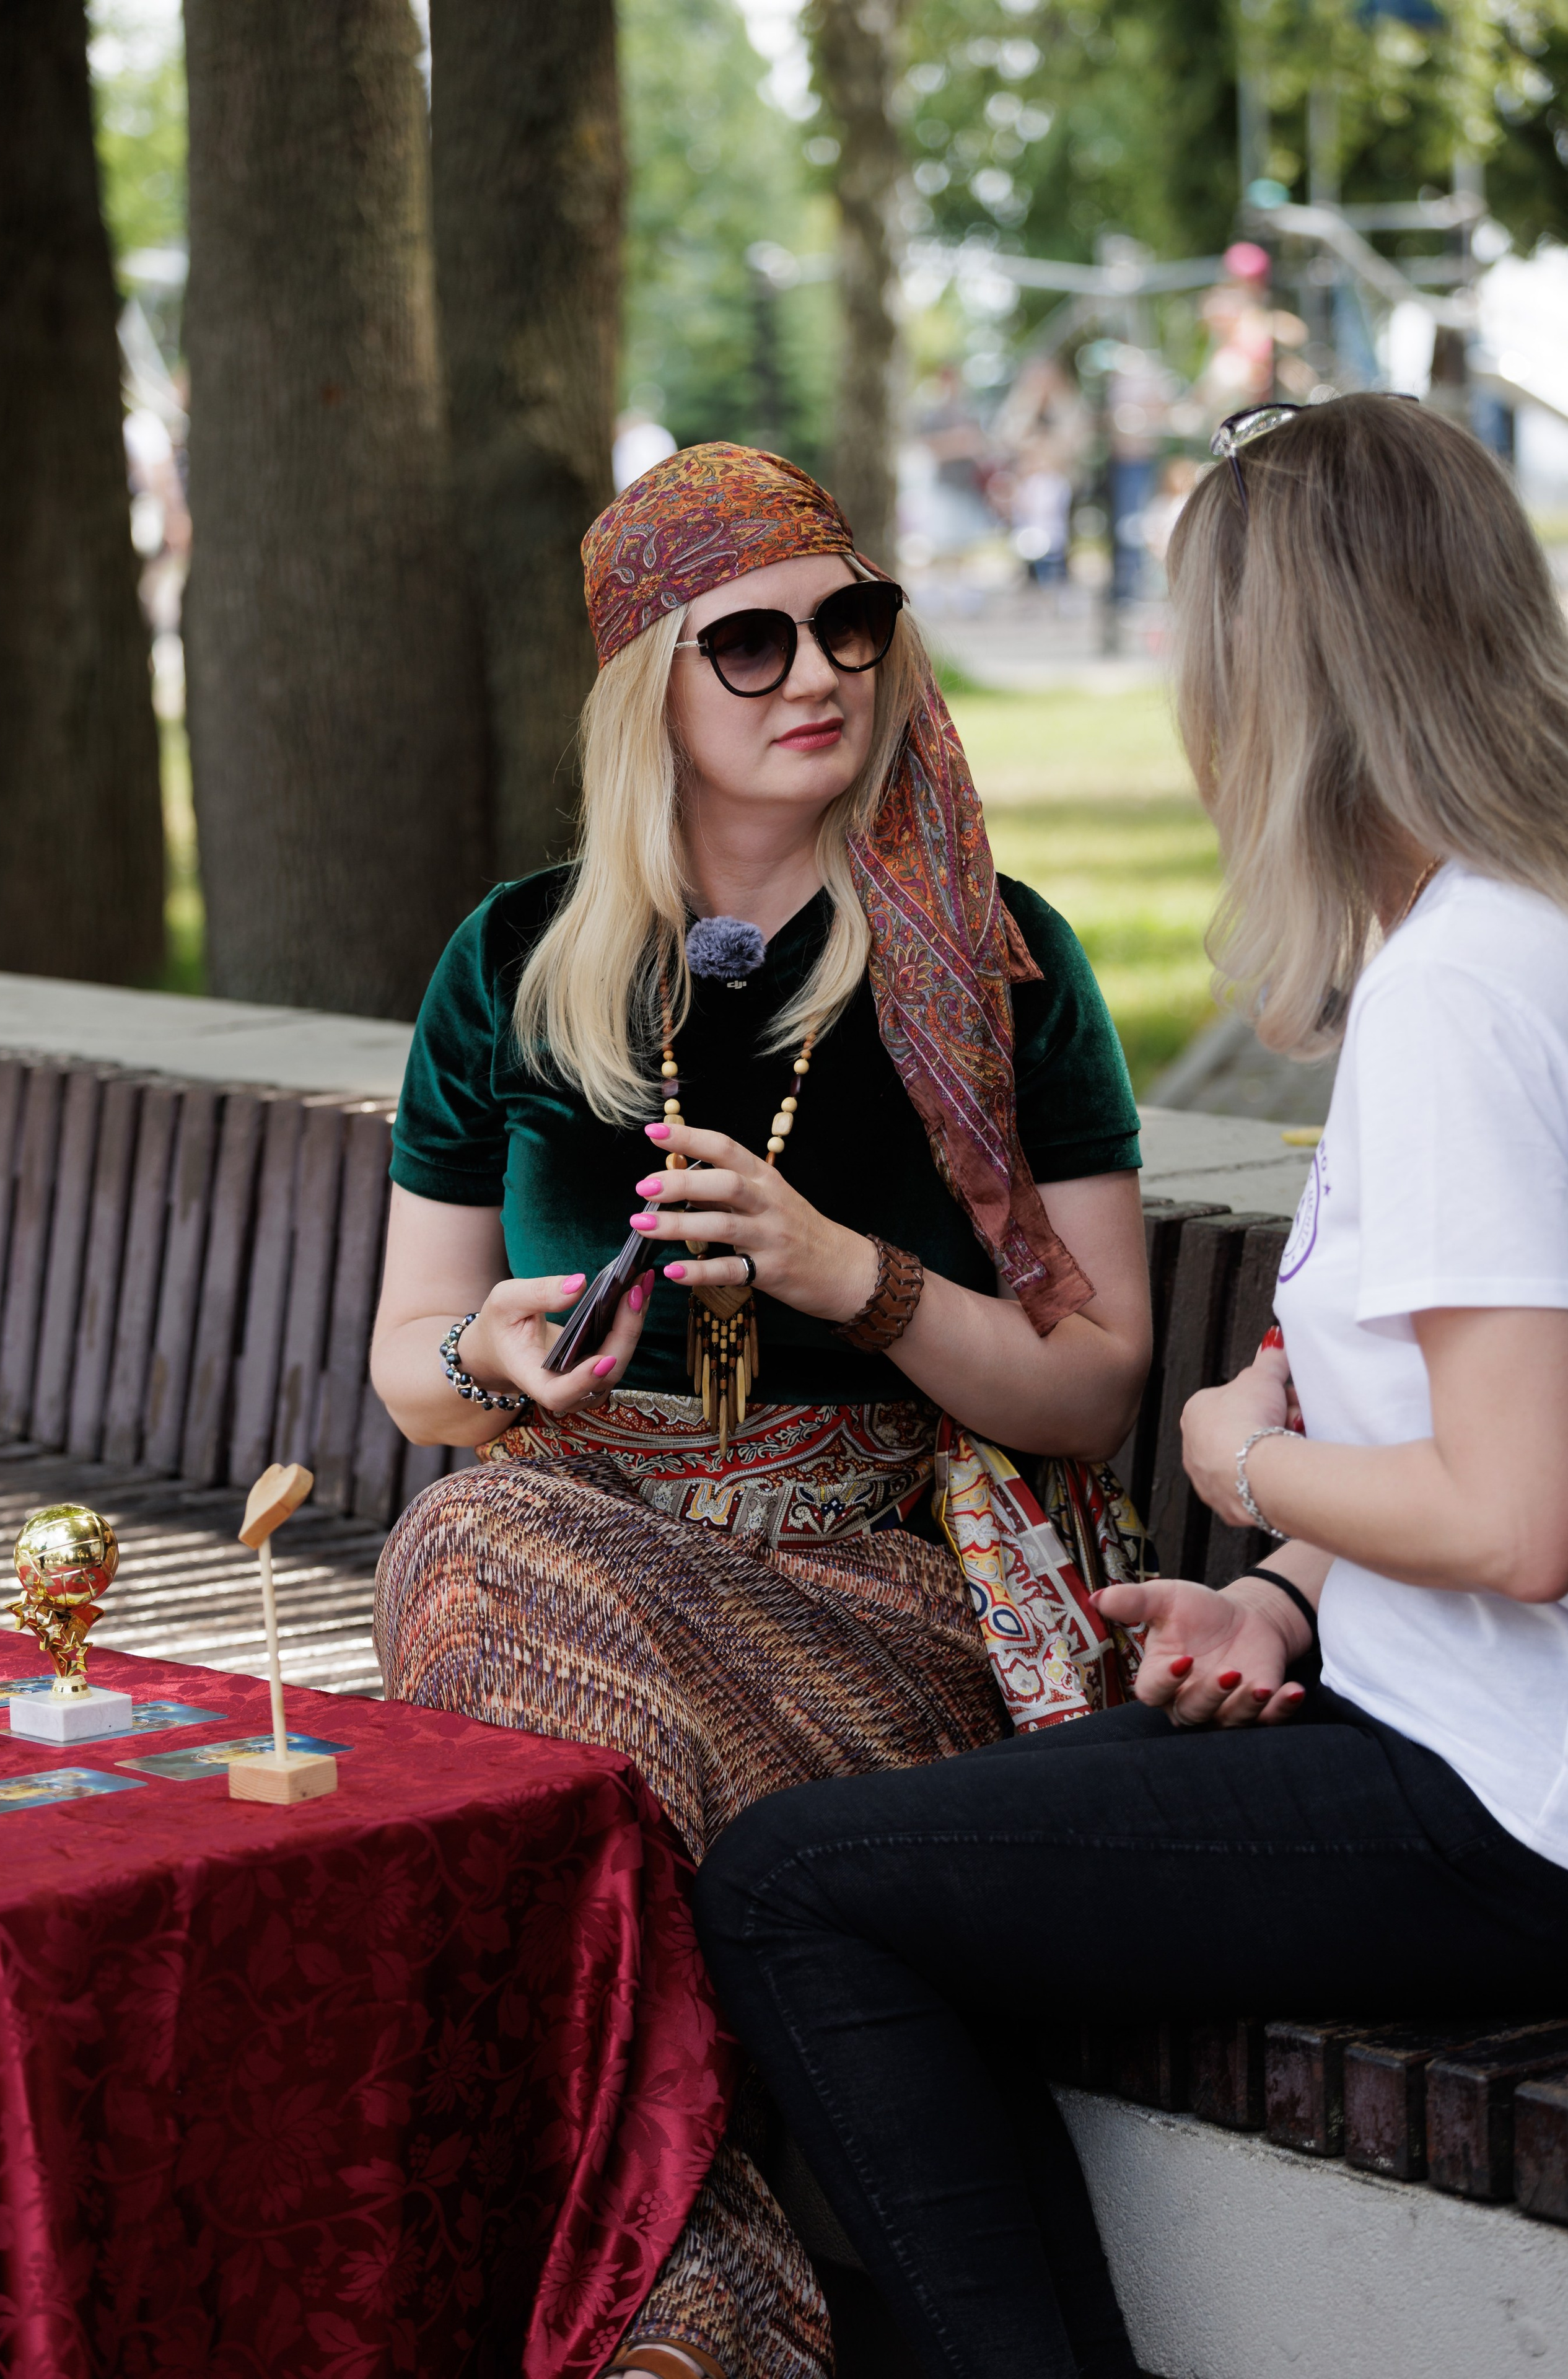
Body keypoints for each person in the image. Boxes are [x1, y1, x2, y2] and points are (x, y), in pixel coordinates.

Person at [693, 393, 1568, 2379]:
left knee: (798, 1891)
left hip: (1503, 1803)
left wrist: (1241, 1461)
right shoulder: (1514, 933)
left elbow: (1517, 1519)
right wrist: (1282, 1600)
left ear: (1276, 682)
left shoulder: (1463, 989)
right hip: (1452, 1727)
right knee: (899, 1869)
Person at [367, 442, 1152, 2379]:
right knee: (483, 1544)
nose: (820, 674)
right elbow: (411, 1357)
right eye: (753, 642)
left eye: (851, 623)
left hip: (884, 1587)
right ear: (649, 680)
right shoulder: (516, 958)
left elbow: (1096, 1386)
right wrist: (493, 1365)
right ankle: (683, 2298)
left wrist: (850, 1277)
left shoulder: (993, 956)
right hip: (579, 1542)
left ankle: (670, 2309)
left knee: (528, 1679)